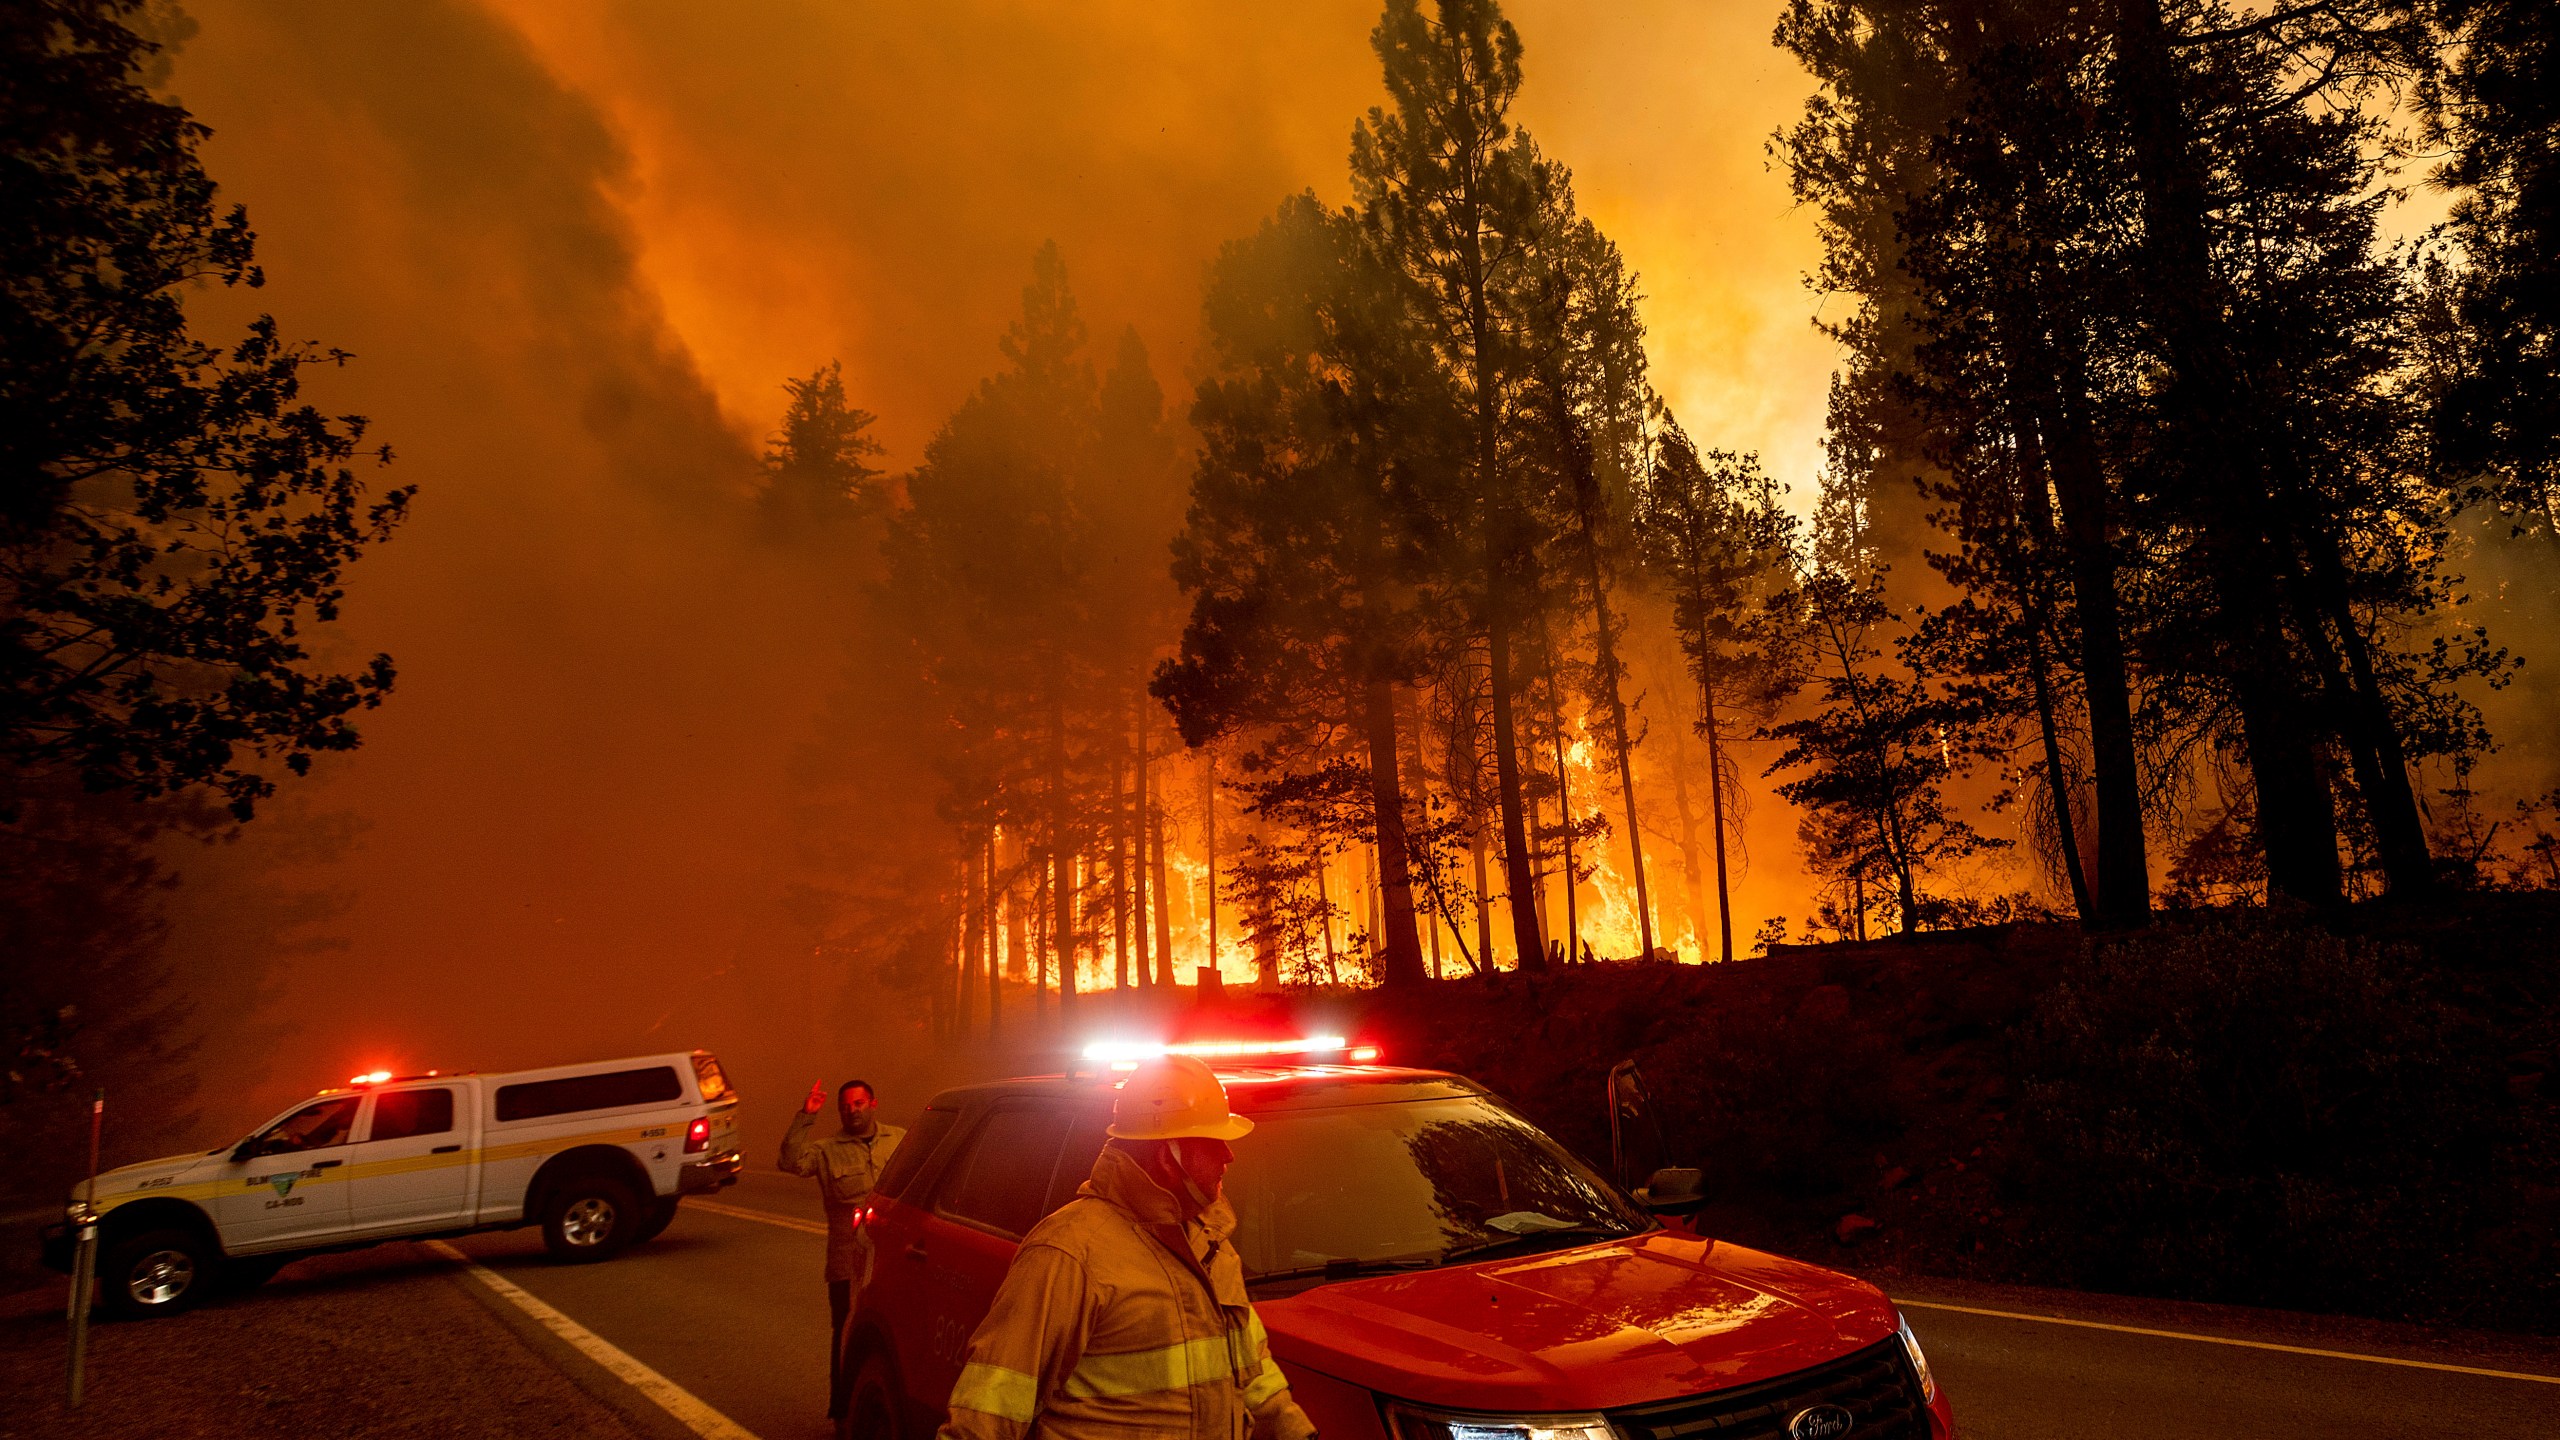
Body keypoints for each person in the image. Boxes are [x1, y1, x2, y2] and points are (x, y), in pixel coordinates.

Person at [936, 1055, 1316, 1440]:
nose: (1229, 1156)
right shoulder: (1069, 1253)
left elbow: (1251, 1371)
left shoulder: (1209, 1242)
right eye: (1214, 1142)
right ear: (1171, 1155)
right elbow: (987, 1415)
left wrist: (1294, 1430)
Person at [781, 1078, 904, 1416]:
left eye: (858, 1103)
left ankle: (888, 1407)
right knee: (846, 1335)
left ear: (873, 1104)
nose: (852, 1111)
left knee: (895, 1335)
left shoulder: (899, 1140)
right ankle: (842, 1411)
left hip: (892, 1258)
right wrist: (806, 1115)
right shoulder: (826, 1150)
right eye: (845, 1106)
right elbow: (790, 1161)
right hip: (846, 1263)